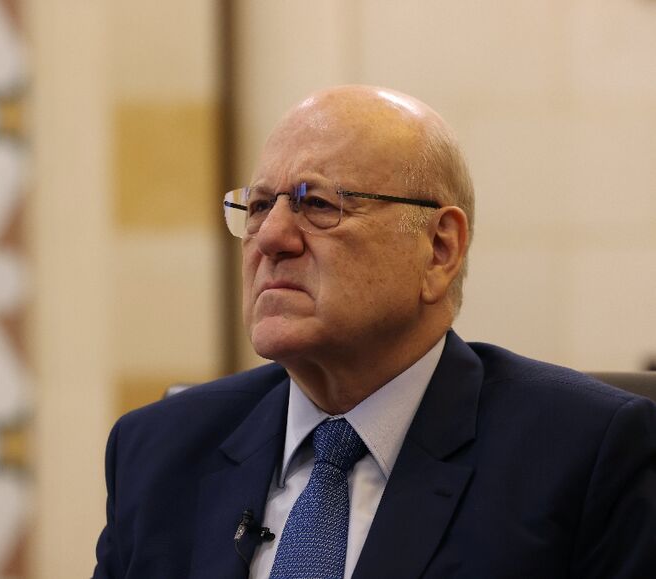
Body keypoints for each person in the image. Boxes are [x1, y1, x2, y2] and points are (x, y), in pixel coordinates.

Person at [92, 85, 656, 578]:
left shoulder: (585, 456)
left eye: (318, 204)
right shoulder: (156, 453)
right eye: (259, 206)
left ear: (439, 249)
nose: (271, 238)